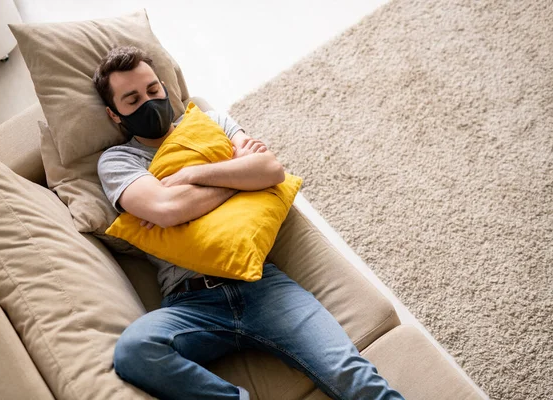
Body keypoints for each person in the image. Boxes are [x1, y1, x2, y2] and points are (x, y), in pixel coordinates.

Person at [94, 46, 404, 400]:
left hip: (261, 284)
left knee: (350, 374)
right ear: (114, 114)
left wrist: (193, 174)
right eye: (132, 100)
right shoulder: (118, 160)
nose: (149, 102)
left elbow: (271, 171)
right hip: (189, 303)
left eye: (153, 90)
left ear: (164, 86)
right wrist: (238, 179)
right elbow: (167, 209)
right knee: (135, 351)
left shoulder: (210, 123)